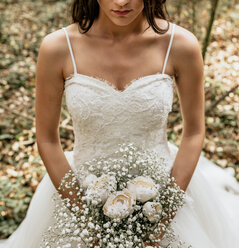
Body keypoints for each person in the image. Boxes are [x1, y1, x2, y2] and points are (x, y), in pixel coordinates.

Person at [1, 0, 239, 247]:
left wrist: (162, 218)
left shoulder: (180, 45)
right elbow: (48, 140)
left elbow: (194, 132)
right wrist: (87, 220)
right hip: (79, 199)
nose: (121, 1)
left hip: (164, 198)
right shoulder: (58, 47)